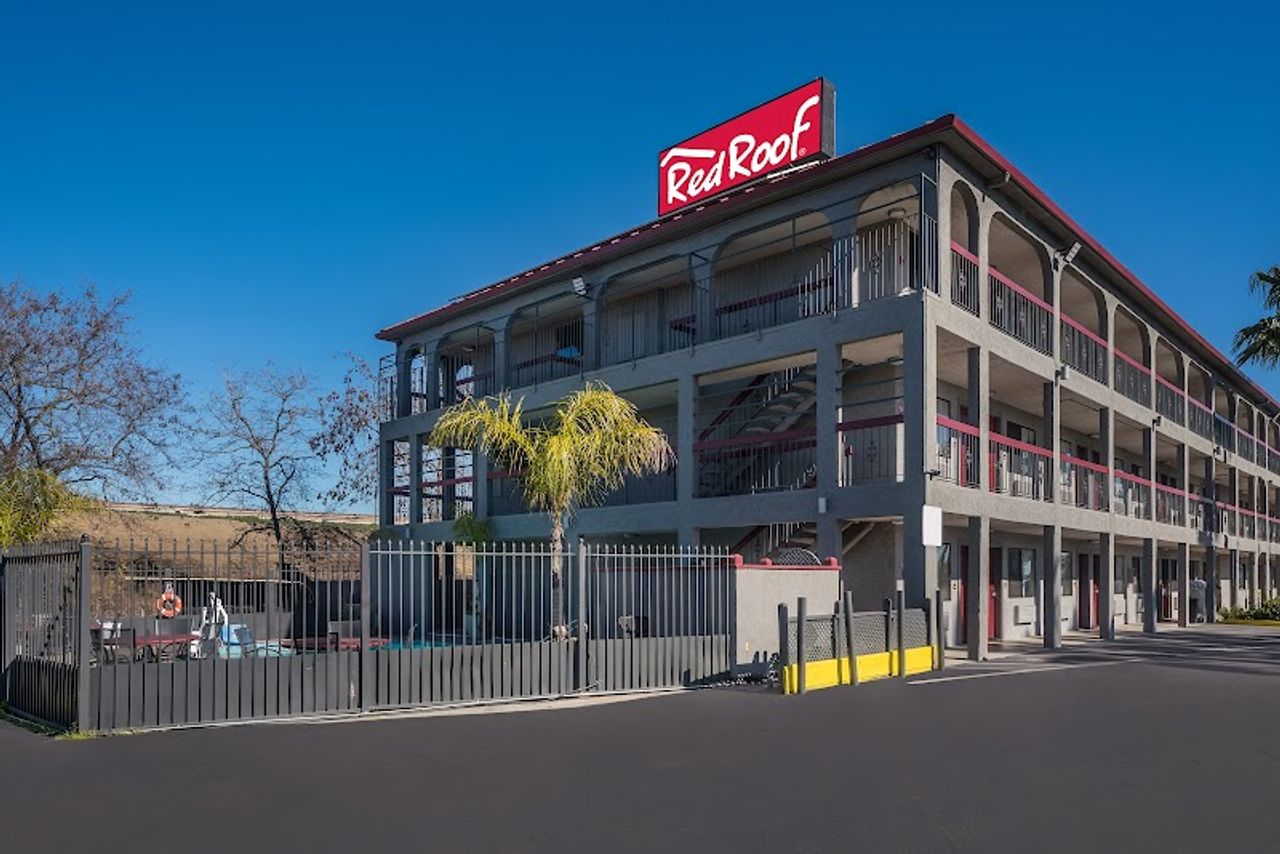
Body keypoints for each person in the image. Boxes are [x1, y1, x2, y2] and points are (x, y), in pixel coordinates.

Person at [195, 589, 229, 658]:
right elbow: (202, 622)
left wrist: (218, 607)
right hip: (206, 630)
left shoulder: (218, 608)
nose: (211, 600)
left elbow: (225, 617)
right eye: (210, 597)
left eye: (213, 598)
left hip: (213, 631)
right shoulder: (205, 609)